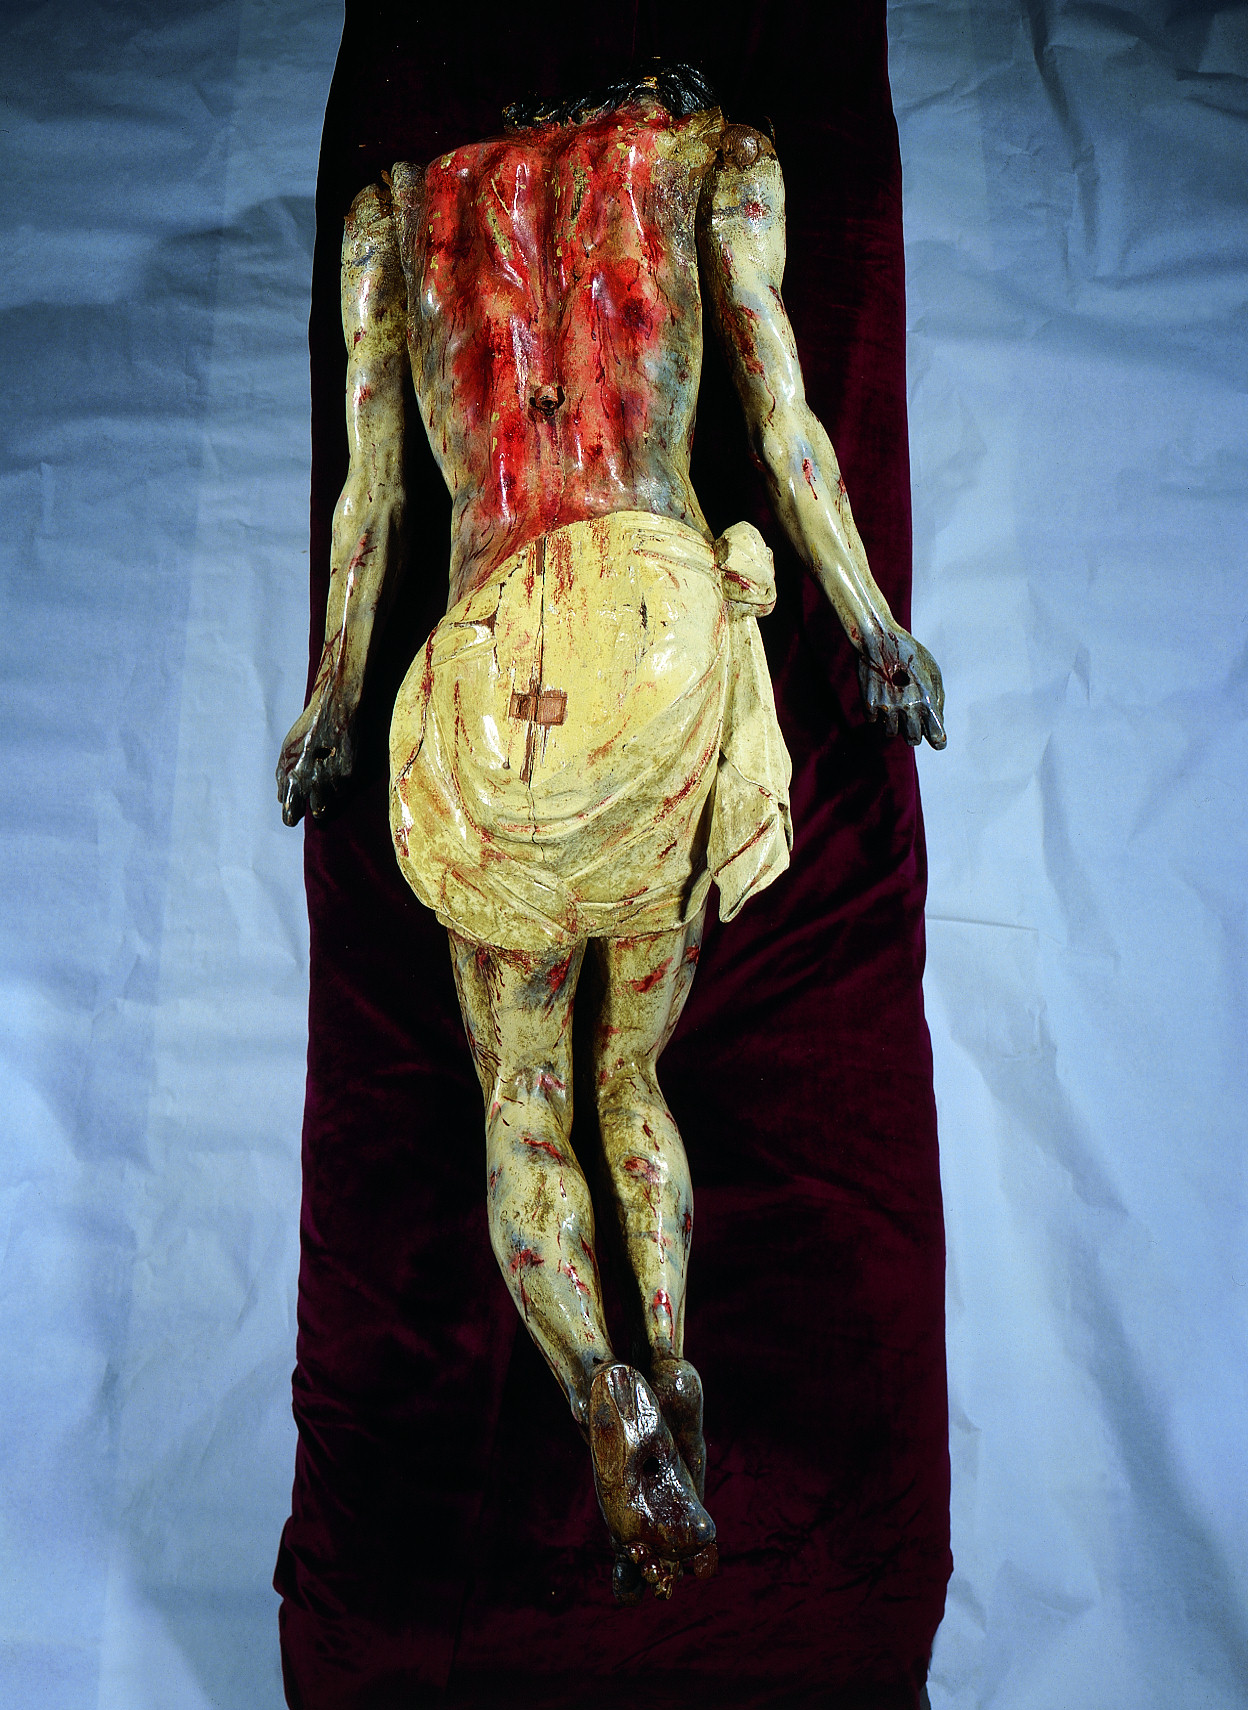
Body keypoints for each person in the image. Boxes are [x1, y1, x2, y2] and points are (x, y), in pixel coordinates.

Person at [277, 61, 945, 1604]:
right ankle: (677, 1354)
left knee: (521, 1091)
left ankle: (599, 1382)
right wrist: (873, 624)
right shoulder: (711, 155)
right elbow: (782, 413)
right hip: (651, 635)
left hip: (489, 667)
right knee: (629, 1072)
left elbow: (372, 502)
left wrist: (329, 706)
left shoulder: (399, 214)